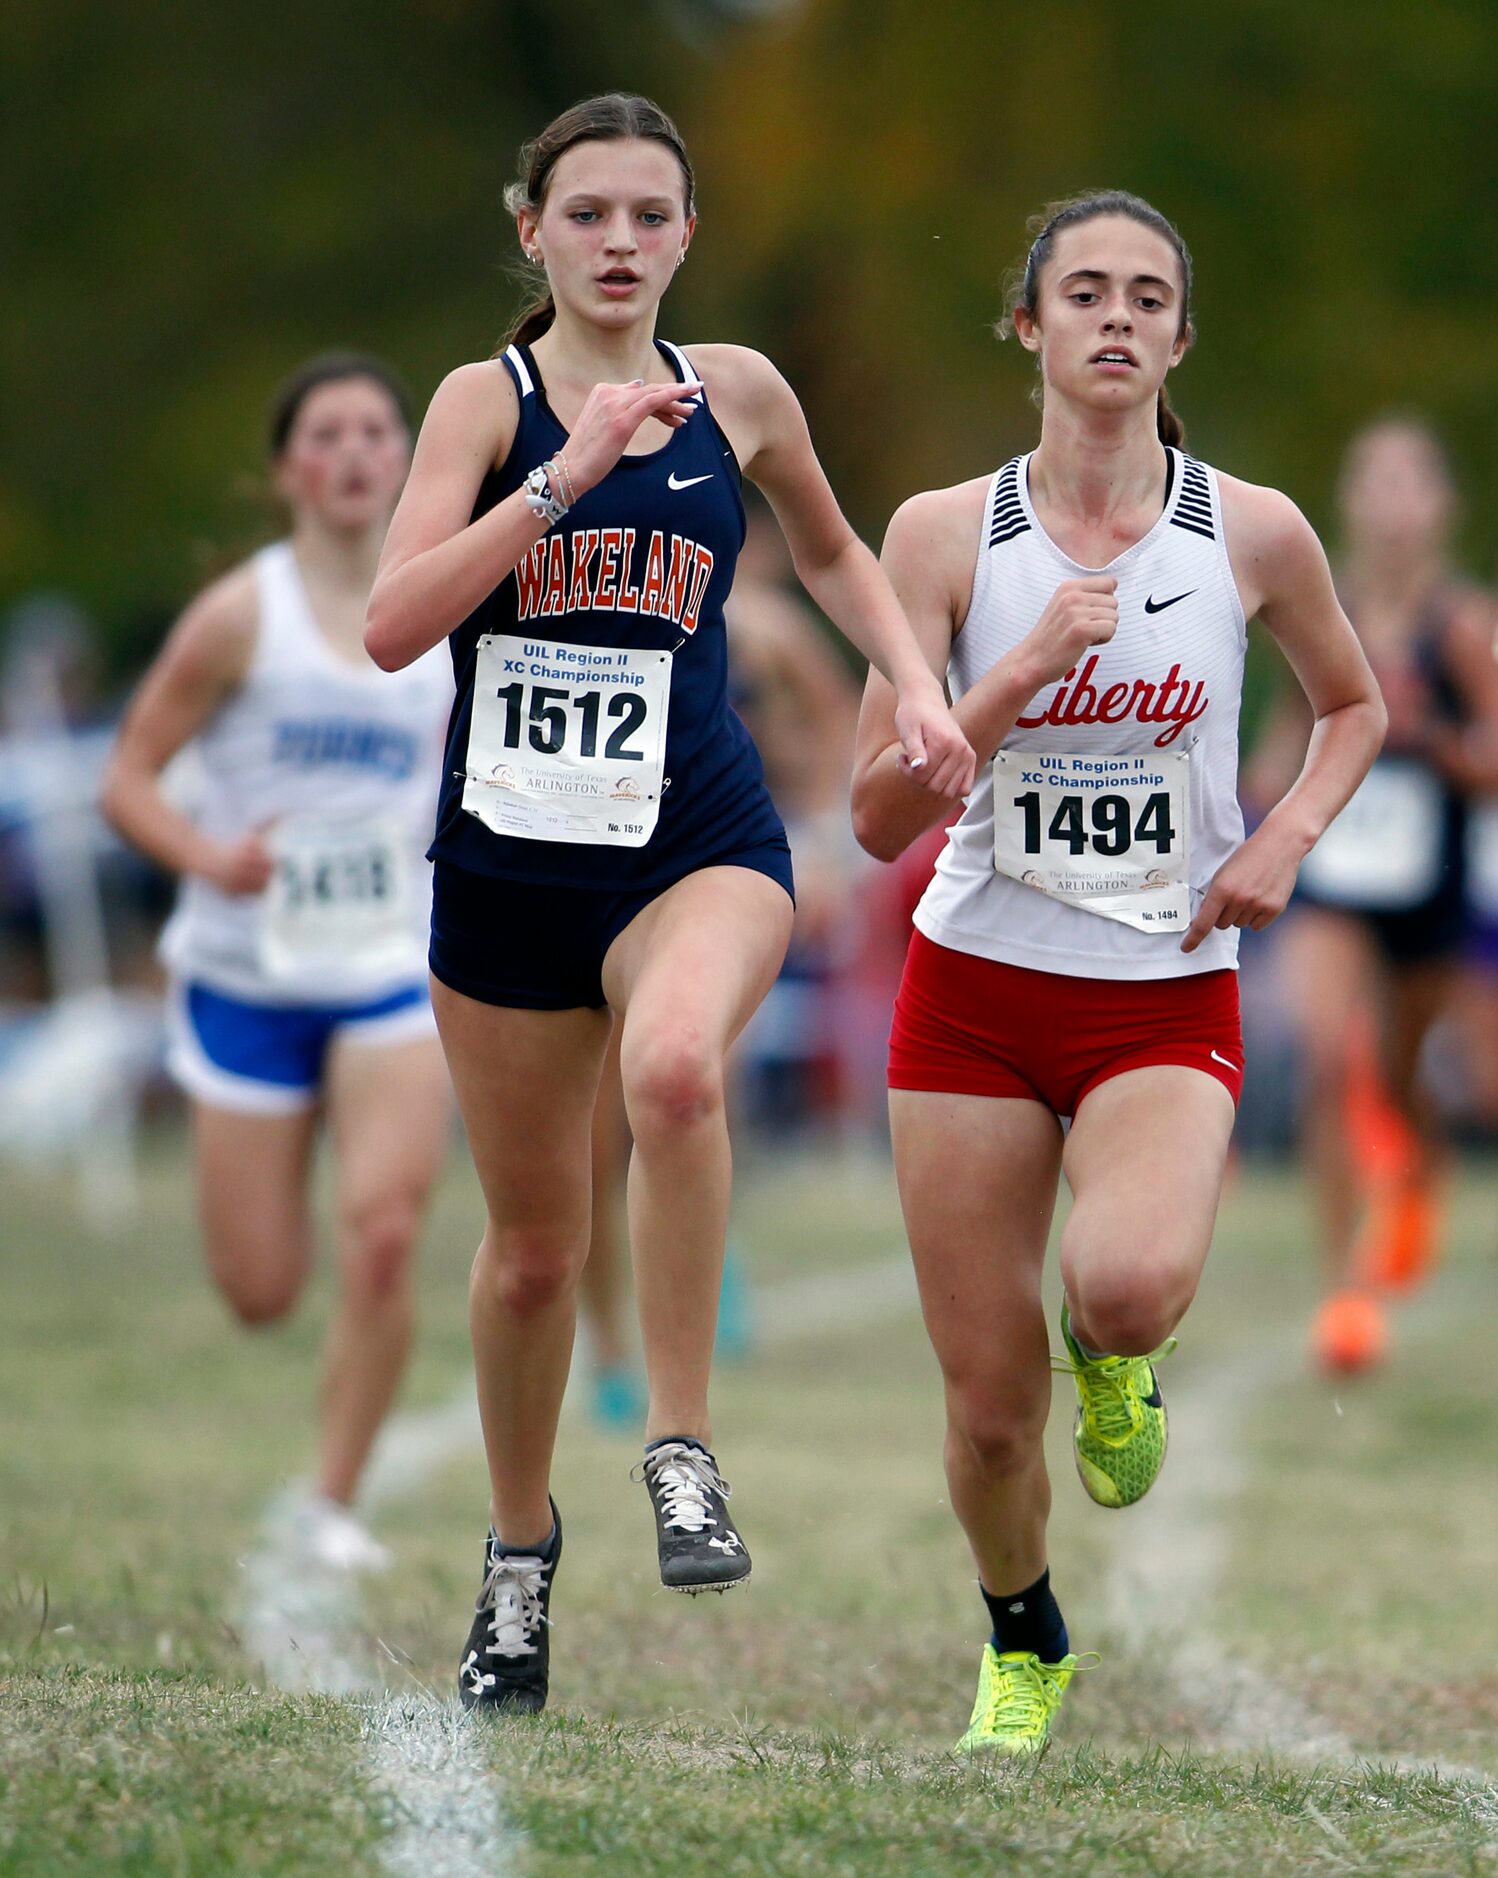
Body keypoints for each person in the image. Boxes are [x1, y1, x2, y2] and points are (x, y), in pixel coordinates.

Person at [362, 92, 973, 1715]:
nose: (619, 242)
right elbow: (392, 624)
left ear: (686, 235)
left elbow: (838, 555)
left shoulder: (739, 393)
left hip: (689, 836)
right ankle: (514, 1555)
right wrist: (555, 480)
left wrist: (915, 681)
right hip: (505, 868)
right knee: (531, 1255)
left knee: (682, 1073)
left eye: (649, 214)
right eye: (587, 215)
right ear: (532, 233)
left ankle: (681, 1444)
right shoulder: (476, 406)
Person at [850, 192, 1384, 1756]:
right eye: (1082, 292)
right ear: (1027, 325)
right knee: (987, 1407)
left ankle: (1119, 1356)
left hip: (1163, 986)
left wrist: (1281, 838)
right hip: (971, 989)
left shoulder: (1252, 530)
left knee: (1126, 1283)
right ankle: (1022, 1633)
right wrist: (1010, 675)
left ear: (1177, 338)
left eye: (1147, 298)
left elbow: (1348, 708)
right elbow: (880, 815)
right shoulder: (945, 535)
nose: (1115, 319)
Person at [102, 353, 455, 1570]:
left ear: (407, 457)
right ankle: (284, 1188)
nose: (356, 453)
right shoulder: (243, 614)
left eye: (376, 431)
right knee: (259, 1290)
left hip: (392, 964)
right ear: (288, 470)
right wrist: (209, 855)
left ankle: (332, 1502)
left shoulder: (448, 608)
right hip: (247, 972)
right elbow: (124, 779)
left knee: (387, 1229)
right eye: (329, 434)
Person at [1251, 418, 1498, 1370]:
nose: (1393, 504)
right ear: (1349, 501)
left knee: (1397, 1076)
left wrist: (1430, 739)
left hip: (1427, 883)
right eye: (1376, 482)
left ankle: (1420, 1175)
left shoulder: (1462, 623)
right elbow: (1285, 727)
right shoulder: (1323, 604)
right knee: (1323, 1057)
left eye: (1412, 483)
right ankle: (1342, 1293)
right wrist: (1264, 794)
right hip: (1333, 874)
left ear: (1441, 507)